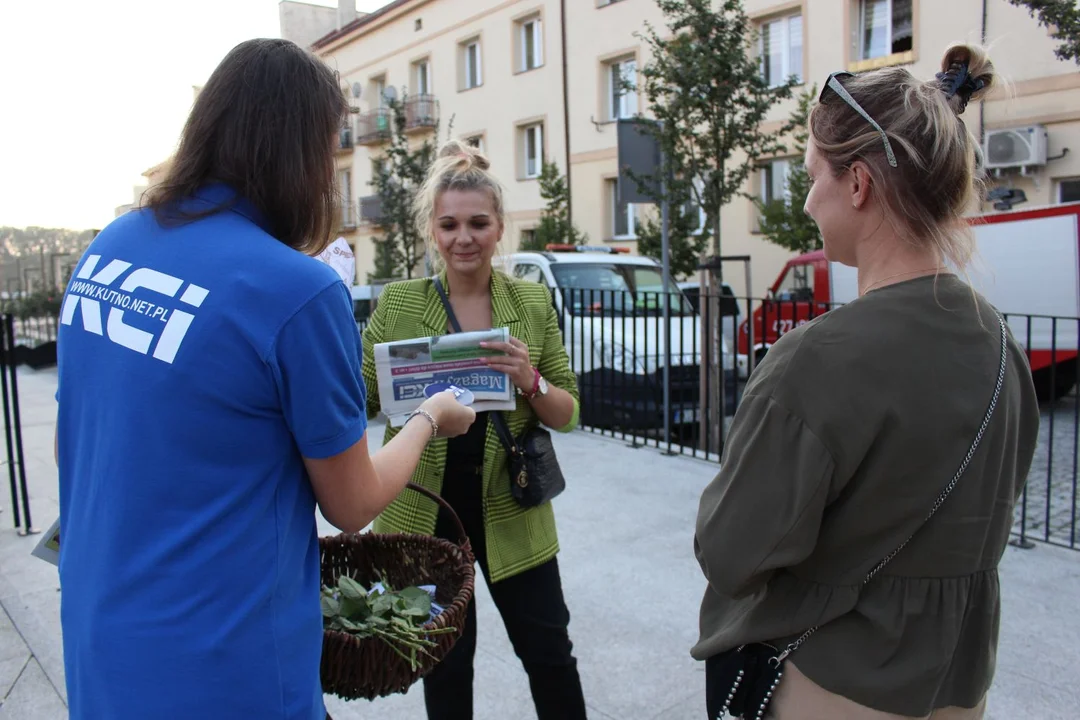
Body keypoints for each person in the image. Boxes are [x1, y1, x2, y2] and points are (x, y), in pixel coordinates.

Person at [53, 39, 475, 720]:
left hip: (103, 636)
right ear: (300, 152)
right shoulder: (296, 291)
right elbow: (352, 502)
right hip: (224, 659)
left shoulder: (110, 248)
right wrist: (430, 416)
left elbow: (85, 438)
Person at [692, 43, 1041, 720]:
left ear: (858, 184)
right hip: (958, 689)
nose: (810, 200)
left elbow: (731, 553)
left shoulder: (815, 360)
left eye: (813, 176)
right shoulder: (1000, 344)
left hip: (833, 687)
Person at [360, 140, 588, 720]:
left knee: (550, 657)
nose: (465, 237)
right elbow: (359, 395)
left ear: (500, 227)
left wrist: (530, 380)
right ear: (432, 231)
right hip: (427, 512)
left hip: (514, 507)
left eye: (478, 223)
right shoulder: (401, 303)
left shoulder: (530, 303)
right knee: (445, 666)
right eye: (450, 224)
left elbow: (569, 411)